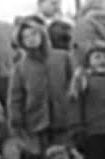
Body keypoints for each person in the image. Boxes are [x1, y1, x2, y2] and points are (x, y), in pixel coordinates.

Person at [7, 18, 76, 152]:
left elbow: (74, 85)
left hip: (63, 120)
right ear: (21, 42)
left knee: (64, 158)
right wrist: (16, 123)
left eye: (33, 34)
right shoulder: (20, 67)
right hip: (35, 123)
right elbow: (15, 98)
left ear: (42, 35)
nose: (30, 39)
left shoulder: (62, 57)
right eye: (25, 37)